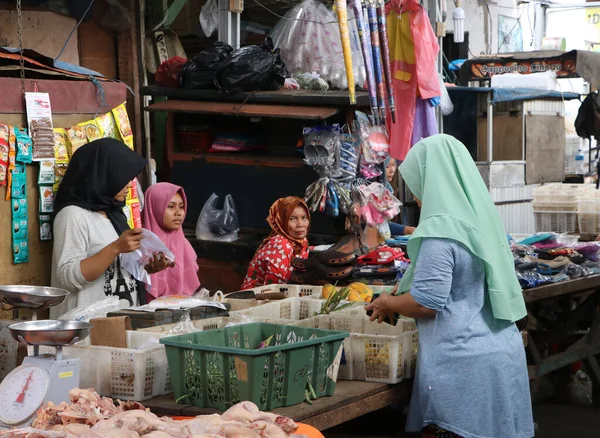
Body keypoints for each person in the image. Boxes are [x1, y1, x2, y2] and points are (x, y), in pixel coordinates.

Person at [366, 135, 534, 438]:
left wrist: (387, 304)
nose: (416, 194)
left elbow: (426, 303)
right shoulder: (481, 220)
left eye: (417, 181)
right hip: (501, 352)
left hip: (464, 366)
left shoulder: (440, 232)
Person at [50, 138, 171, 318]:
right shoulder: (72, 216)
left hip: (120, 325)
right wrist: (115, 248)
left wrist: (147, 267)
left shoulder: (115, 214)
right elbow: (68, 277)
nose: (130, 185)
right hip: (85, 331)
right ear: (103, 175)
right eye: (123, 177)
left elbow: (117, 269)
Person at [142, 182, 201, 299]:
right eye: (170, 206)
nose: (178, 213)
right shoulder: (138, 242)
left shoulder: (184, 244)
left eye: (181, 206)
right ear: (154, 207)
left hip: (179, 309)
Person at [241, 196, 310, 289]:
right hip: (256, 298)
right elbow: (274, 289)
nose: (300, 224)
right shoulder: (280, 244)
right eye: (292, 218)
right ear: (282, 221)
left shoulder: (303, 243)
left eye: (304, 218)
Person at [385, 156, 415, 236]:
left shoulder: (388, 189)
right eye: (387, 166)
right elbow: (379, 226)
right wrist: (406, 229)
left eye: (394, 165)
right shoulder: (373, 192)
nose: (392, 170)